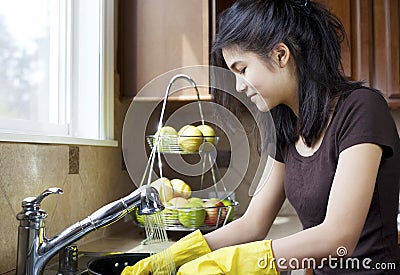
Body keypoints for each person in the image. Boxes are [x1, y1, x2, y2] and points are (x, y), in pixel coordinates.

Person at [122, 0, 400, 274]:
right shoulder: (286, 127)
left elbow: (339, 237)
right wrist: (178, 255)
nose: (238, 86)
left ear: (280, 55)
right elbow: (253, 224)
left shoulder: (362, 109)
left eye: (241, 70)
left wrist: (235, 261)